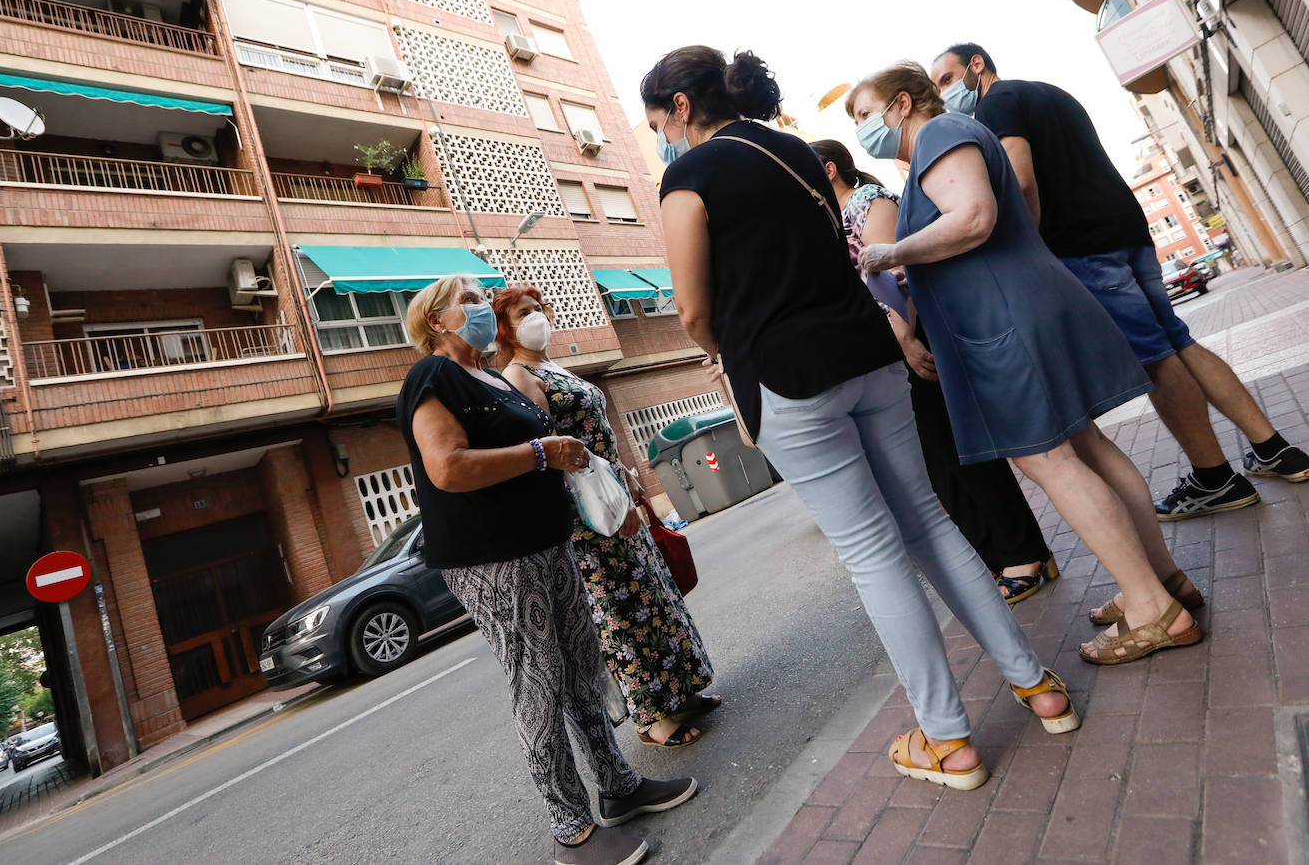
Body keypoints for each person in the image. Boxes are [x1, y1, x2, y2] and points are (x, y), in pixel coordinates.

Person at [645, 45, 1079, 793]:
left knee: (872, 552)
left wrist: (725, 350)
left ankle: (948, 737)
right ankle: (1037, 685)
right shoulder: (795, 152)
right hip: (868, 353)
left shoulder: (688, 177)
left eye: (659, 122)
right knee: (930, 523)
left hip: (787, 376)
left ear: (681, 107)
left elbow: (691, 309)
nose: (661, 136)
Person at [848, 61, 1205, 667]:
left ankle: (1153, 610)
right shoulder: (949, 139)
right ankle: (1161, 581)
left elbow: (973, 217)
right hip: (1015, 307)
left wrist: (892, 253)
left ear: (902, 104)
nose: (862, 129)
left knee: (1050, 459)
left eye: (864, 114)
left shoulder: (939, 134)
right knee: (1086, 448)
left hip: (1003, 320)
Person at [928, 42, 1309, 527]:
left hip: (1085, 247)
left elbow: (1021, 181)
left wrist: (1030, 247)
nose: (944, 92)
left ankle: (1215, 478)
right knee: (1177, 340)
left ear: (976, 65)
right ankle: (1274, 449)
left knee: (1155, 358)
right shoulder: (1050, 93)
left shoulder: (995, 103)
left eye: (946, 79)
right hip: (1127, 231)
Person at [398, 275, 696, 865]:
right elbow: (447, 467)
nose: (481, 309)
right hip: (494, 558)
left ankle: (617, 786)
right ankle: (571, 830)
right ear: (436, 321)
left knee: (582, 668)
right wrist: (542, 452)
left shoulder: (489, 376)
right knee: (539, 681)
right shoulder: (432, 377)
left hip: (548, 544)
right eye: (469, 301)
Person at [809, 139, 1056, 604]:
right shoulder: (833, 219)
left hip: (913, 339)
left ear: (829, 169)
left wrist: (905, 338)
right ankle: (1002, 556)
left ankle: (1023, 553)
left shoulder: (867, 201)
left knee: (962, 453)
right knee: (938, 463)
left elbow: (895, 272)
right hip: (886, 349)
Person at [493, 286, 720, 749]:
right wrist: (609, 505)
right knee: (623, 615)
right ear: (504, 329)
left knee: (654, 600)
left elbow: (597, 434)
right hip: (592, 516)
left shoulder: (550, 366)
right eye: (522, 314)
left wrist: (628, 479)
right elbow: (557, 458)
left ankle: (680, 691)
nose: (536, 317)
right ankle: (651, 718)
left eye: (538, 308)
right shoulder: (518, 376)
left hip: (614, 494)